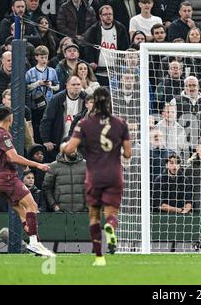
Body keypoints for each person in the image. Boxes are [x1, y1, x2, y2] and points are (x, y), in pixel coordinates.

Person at [60, 87, 131, 266]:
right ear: (109, 102)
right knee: (111, 213)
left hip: (94, 175)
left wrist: (63, 147)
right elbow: (128, 154)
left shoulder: (84, 123)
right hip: (114, 174)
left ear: (94, 102)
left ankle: (99, 257)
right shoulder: (121, 123)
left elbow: (70, 149)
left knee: (93, 216)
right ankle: (111, 226)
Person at [0, 107, 54, 256]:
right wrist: (37, 164)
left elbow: (3, 157)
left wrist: (17, 164)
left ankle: (36, 245)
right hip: (7, 179)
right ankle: (34, 243)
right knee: (32, 205)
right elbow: (13, 157)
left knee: (23, 213)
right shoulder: (3, 135)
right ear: (9, 118)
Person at [40, 75, 86, 163]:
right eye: (73, 85)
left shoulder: (86, 99)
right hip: (58, 142)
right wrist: (46, 140)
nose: (76, 87)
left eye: (78, 85)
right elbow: (46, 121)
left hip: (80, 144)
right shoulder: (57, 99)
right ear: (67, 85)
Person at [83, 5, 130, 86]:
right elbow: (88, 47)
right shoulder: (93, 30)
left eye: (110, 14)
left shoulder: (120, 28)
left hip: (116, 70)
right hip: (99, 71)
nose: (108, 16)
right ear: (100, 16)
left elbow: (125, 47)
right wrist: (91, 61)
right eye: (105, 14)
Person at [25, 45, 60, 144]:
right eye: (41, 57)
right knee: (37, 125)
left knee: (49, 124)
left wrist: (50, 86)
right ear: (36, 57)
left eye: (46, 57)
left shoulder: (52, 71)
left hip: (49, 103)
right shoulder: (30, 72)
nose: (44, 60)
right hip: (35, 104)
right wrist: (37, 84)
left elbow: (58, 86)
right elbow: (26, 88)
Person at [43, 139, 87, 212]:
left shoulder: (86, 165)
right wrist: (54, 206)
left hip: (83, 212)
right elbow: (47, 188)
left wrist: (87, 207)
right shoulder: (54, 166)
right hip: (61, 212)